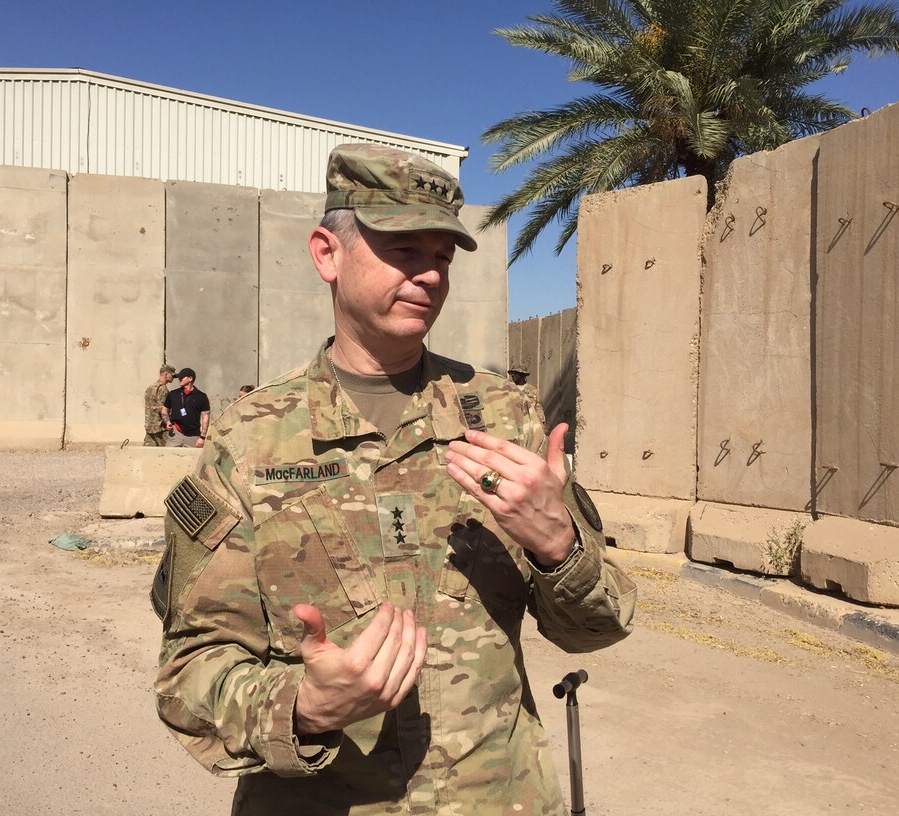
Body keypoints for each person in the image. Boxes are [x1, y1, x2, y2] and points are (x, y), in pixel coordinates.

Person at [152, 143, 636, 816]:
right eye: (405, 249)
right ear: (327, 253)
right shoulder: (250, 438)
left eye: (442, 256)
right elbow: (189, 673)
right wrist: (305, 706)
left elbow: (599, 627)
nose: (431, 276)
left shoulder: (507, 418)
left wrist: (561, 547)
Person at [160, 368, 210, 449]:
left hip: (193, 436)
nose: (179, 379)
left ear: (190, 379)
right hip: (175, 434)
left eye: (182, 377)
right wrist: (167, 422)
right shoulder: (173, 394)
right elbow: (164, 410)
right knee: (169, 458)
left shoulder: (201, 396)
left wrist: (202, 437)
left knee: (193, 460)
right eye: (179, 377)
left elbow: (205, 417)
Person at [143, 364, 176, 446]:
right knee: (166, 453)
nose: (173, 378)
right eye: (172, 375)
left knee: (148, 453)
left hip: (150, 427)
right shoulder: (163, 389)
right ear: (166, 374)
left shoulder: (151, 387)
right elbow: (164, 409)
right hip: (160, 428)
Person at [508, 363, 547, 430]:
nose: (512, 375)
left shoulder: (533, 391)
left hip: (529, 425)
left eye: (515, 373)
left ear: (522, 375)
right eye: (512, 373)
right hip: (513, 425)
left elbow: (538, 408)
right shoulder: (509, 389)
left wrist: (541, 423)